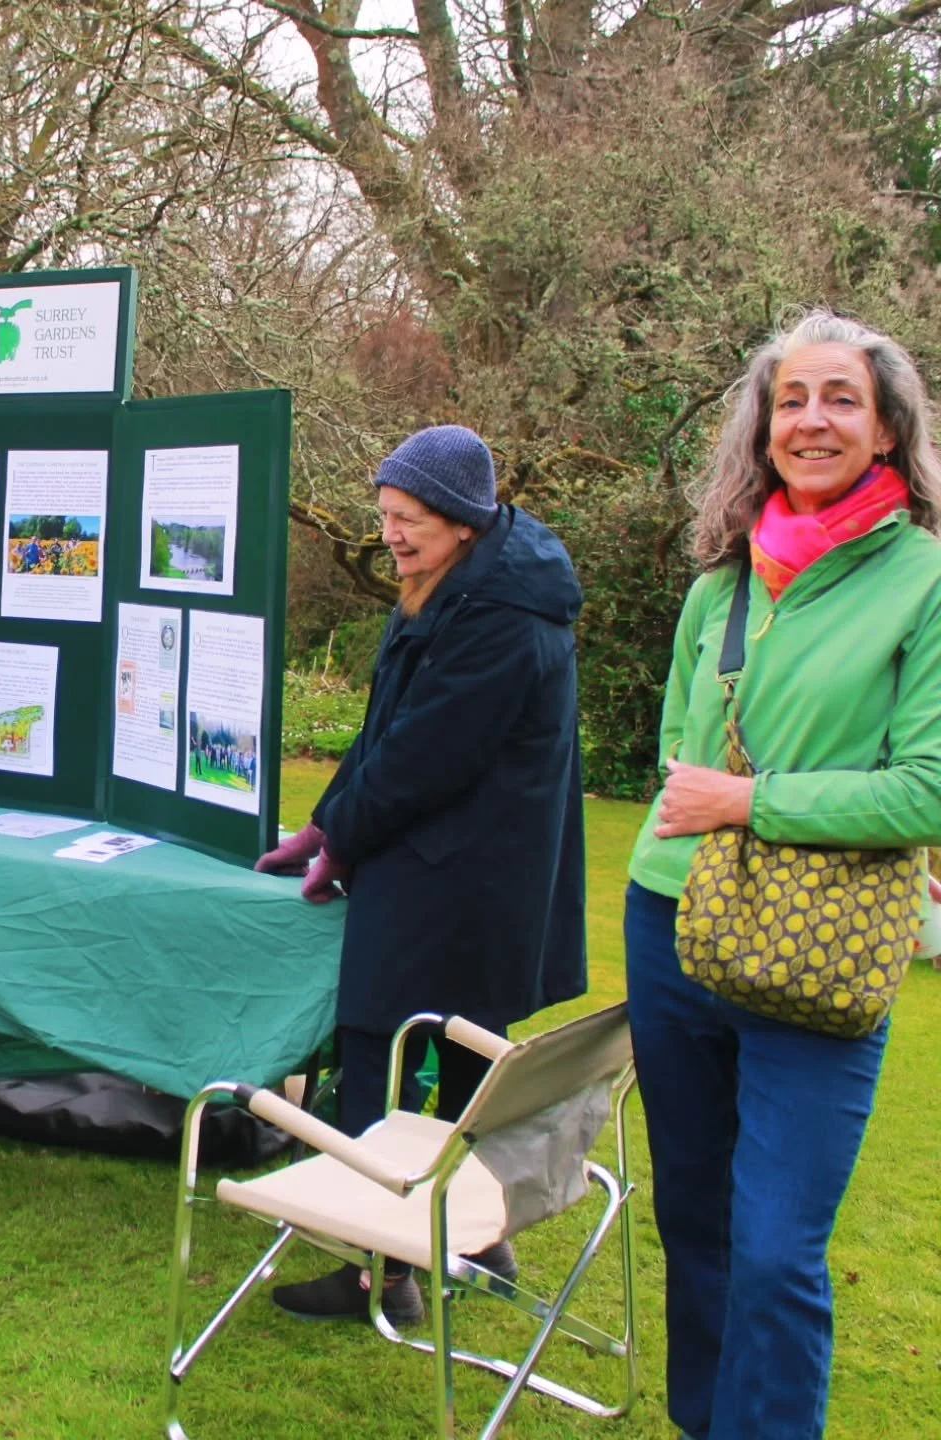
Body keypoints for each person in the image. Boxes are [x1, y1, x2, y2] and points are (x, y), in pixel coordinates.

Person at [624, 311, 941, 1440]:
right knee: (695, 1220)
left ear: (888, 429)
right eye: (792, 400)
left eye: (841, 399)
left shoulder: (924, 579)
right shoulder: (721, 587)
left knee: (774, 1251)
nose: (814, 420)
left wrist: (751, 804)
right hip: (670, 922)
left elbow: (931, 788)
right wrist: (698, 802)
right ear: (762, 431)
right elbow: (676, 748)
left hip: (820, 947)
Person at [255, 424, 587, 1322]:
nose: (393, 535)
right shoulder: (461, 586)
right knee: (454, 1055)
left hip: (457, 881)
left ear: (464, 521)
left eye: (410, 519)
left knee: (382, 1056)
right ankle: (475, 1241)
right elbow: (385, 726)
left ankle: (385, 1271)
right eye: (387, 516)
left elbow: (422, 760)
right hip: (462, 875)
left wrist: (346, 844)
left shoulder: (500, 618)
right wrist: (326, 819)